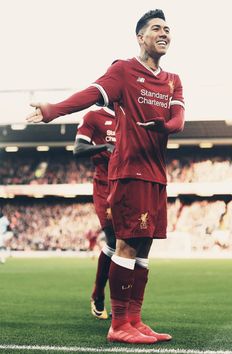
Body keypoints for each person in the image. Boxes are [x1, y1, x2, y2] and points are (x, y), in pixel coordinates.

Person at [26, 9, 185, 344]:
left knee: (143, 249)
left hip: (157, 174)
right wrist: (53, 110)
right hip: (130, 171)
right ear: (141, 36)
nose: (164, 33)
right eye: (157, 28)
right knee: (124, 244)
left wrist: (164, 126)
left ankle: (136, 320)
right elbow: (90, 93)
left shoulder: (173, 80)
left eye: (168, 29)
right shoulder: (124, 71)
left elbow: (178, 120)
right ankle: (118, 325)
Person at [74, 105, 116, 320]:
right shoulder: (94, 116)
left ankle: (127, 308)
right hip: (105, 187)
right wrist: (104, 147)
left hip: (130, 185)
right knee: (114, 241)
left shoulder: (135, 115)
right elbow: (78, 149)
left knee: (136, 245)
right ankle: (98, 294)